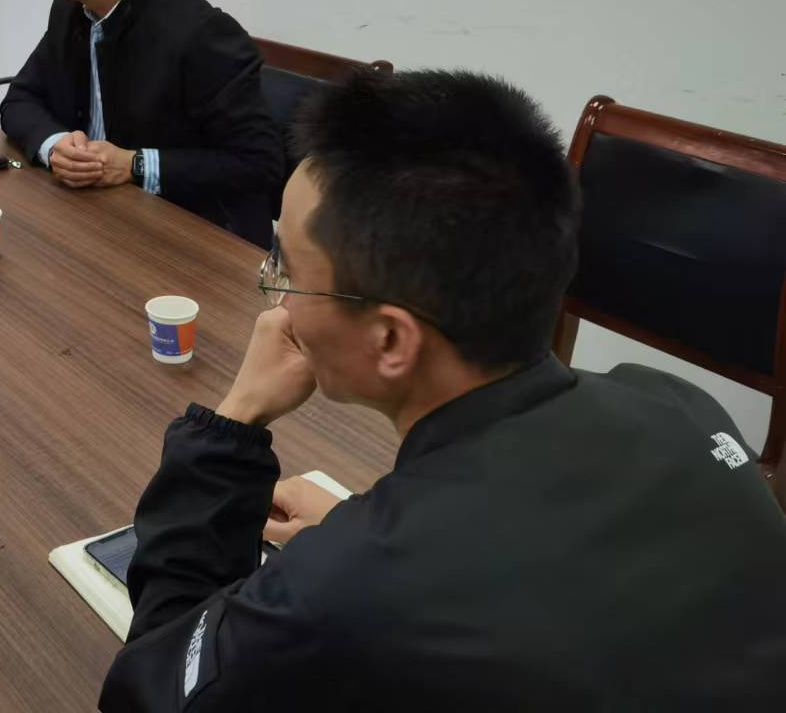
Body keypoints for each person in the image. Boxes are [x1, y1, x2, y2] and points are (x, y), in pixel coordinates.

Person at [100, 70, 786, 712]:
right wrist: (370, 539)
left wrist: (234, 426)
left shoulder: (347, 588)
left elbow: (149, 686)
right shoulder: (675, 403)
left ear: (390, 339)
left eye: (289, 270)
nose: (276, 298)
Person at [0, 0, 281, 247]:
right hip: (95, 218)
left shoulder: (203, 35)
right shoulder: (71, 9)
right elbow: (20, 99)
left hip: (184, 238)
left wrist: (134, 164)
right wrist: (56, 145)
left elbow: (259, 163)